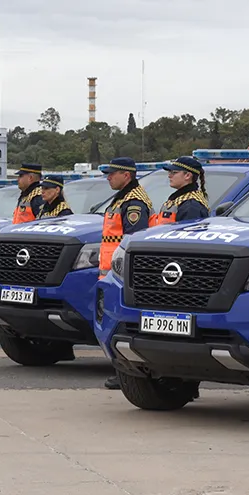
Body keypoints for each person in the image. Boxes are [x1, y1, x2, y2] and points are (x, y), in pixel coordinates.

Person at [98, 156, 153, 390]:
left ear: (127, 175)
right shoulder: (121, 198)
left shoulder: (134, 203)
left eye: (113, 173)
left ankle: (127, 373)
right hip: (111, 273)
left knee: (121, 324)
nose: (108, 177)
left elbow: (133, 241)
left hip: (121, 276)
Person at [153, 156, 210, 225]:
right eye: (169, 172)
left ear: (187, 175)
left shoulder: (191, 205)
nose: (169, 176)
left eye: (174, 172)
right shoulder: (180, 199)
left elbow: (187, 233)